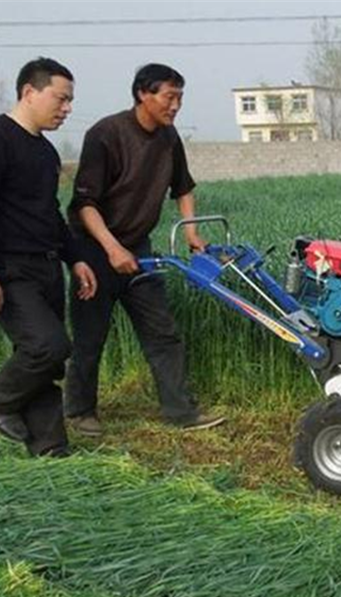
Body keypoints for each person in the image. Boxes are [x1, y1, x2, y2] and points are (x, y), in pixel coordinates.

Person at [65, 63, 223, 436]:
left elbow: (183, 188)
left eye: (180, 98)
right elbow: (84, 204)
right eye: (169, 97)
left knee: (161, 331)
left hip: (139, 250)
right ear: (142, 94)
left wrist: (191, 232)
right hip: (94, 250)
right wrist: (112, 249)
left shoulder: (169, 137)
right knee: (90, 335)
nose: (175, 106)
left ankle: (180, 412)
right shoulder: (106, 134)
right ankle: (80, 412)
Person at [0, 57, 98, 458]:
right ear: (29, 92)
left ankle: (50, 447)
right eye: (60, 98)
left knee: (48, 364)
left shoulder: (45, 152)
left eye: (70, 101)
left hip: (47, 265)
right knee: (48, 346)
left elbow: (50, 213)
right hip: (9, 268)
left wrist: (75, 258)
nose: (66, 108)